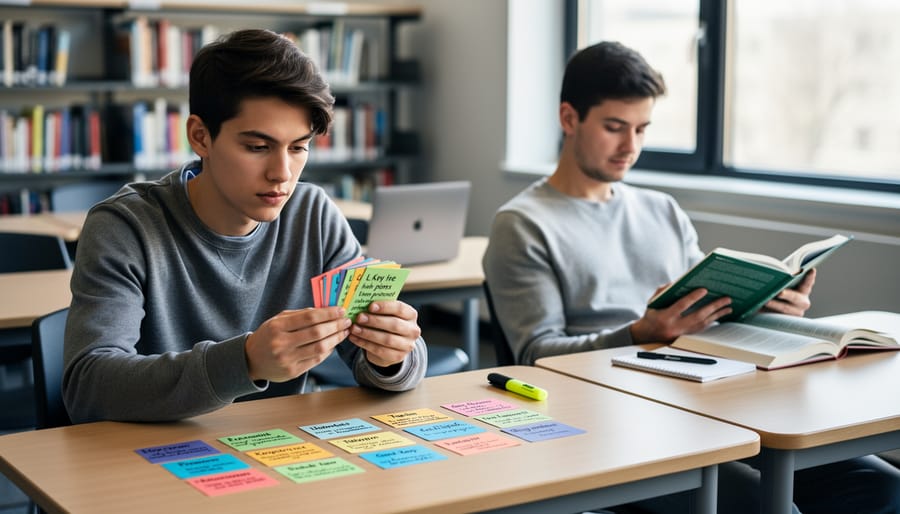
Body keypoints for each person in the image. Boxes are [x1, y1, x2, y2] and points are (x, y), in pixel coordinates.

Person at [483, 41, 900, 514]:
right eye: (614, 128)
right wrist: (639, 332)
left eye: (642, 129)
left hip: (703, 399)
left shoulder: (661, 209)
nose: (630, 146)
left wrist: (765, 306)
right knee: (765, 505)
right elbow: (533, 356)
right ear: (569, 118)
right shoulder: (522, 223)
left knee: (880, 486)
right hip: (609, 421)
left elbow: (707, 306)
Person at [63, 29, 427, 423]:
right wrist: (245, 361)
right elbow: (89, 386)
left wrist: (392, 354)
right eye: (257, 147)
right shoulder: (124, 227)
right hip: (152, 451)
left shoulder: (314, 215)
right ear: (200, 137)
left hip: (281, 446)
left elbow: (381, 361)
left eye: (298, 147)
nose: (282, 173)